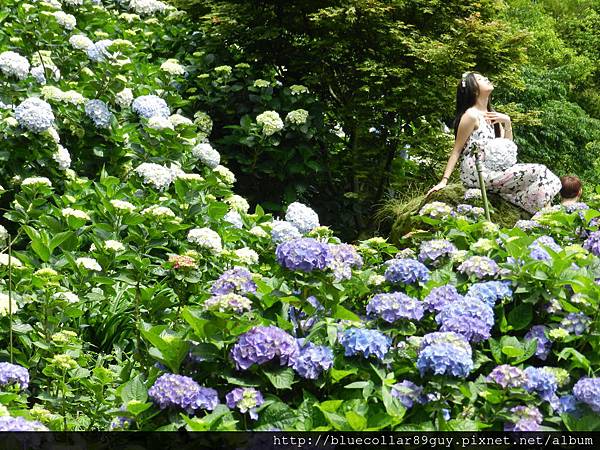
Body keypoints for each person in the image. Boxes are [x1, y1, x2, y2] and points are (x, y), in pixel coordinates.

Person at [426, 72, 561, 214]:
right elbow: (457, 150)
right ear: (474, 89)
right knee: (540, 171)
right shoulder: (471, 115)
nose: (487, 79)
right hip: (477, 171)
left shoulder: (492, 115)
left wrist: (507, 122)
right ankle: (539, 212)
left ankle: (536, 210)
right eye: (480, 79)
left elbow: (507, 147)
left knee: (539, 176)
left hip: (494, 168)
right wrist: (444, 181)